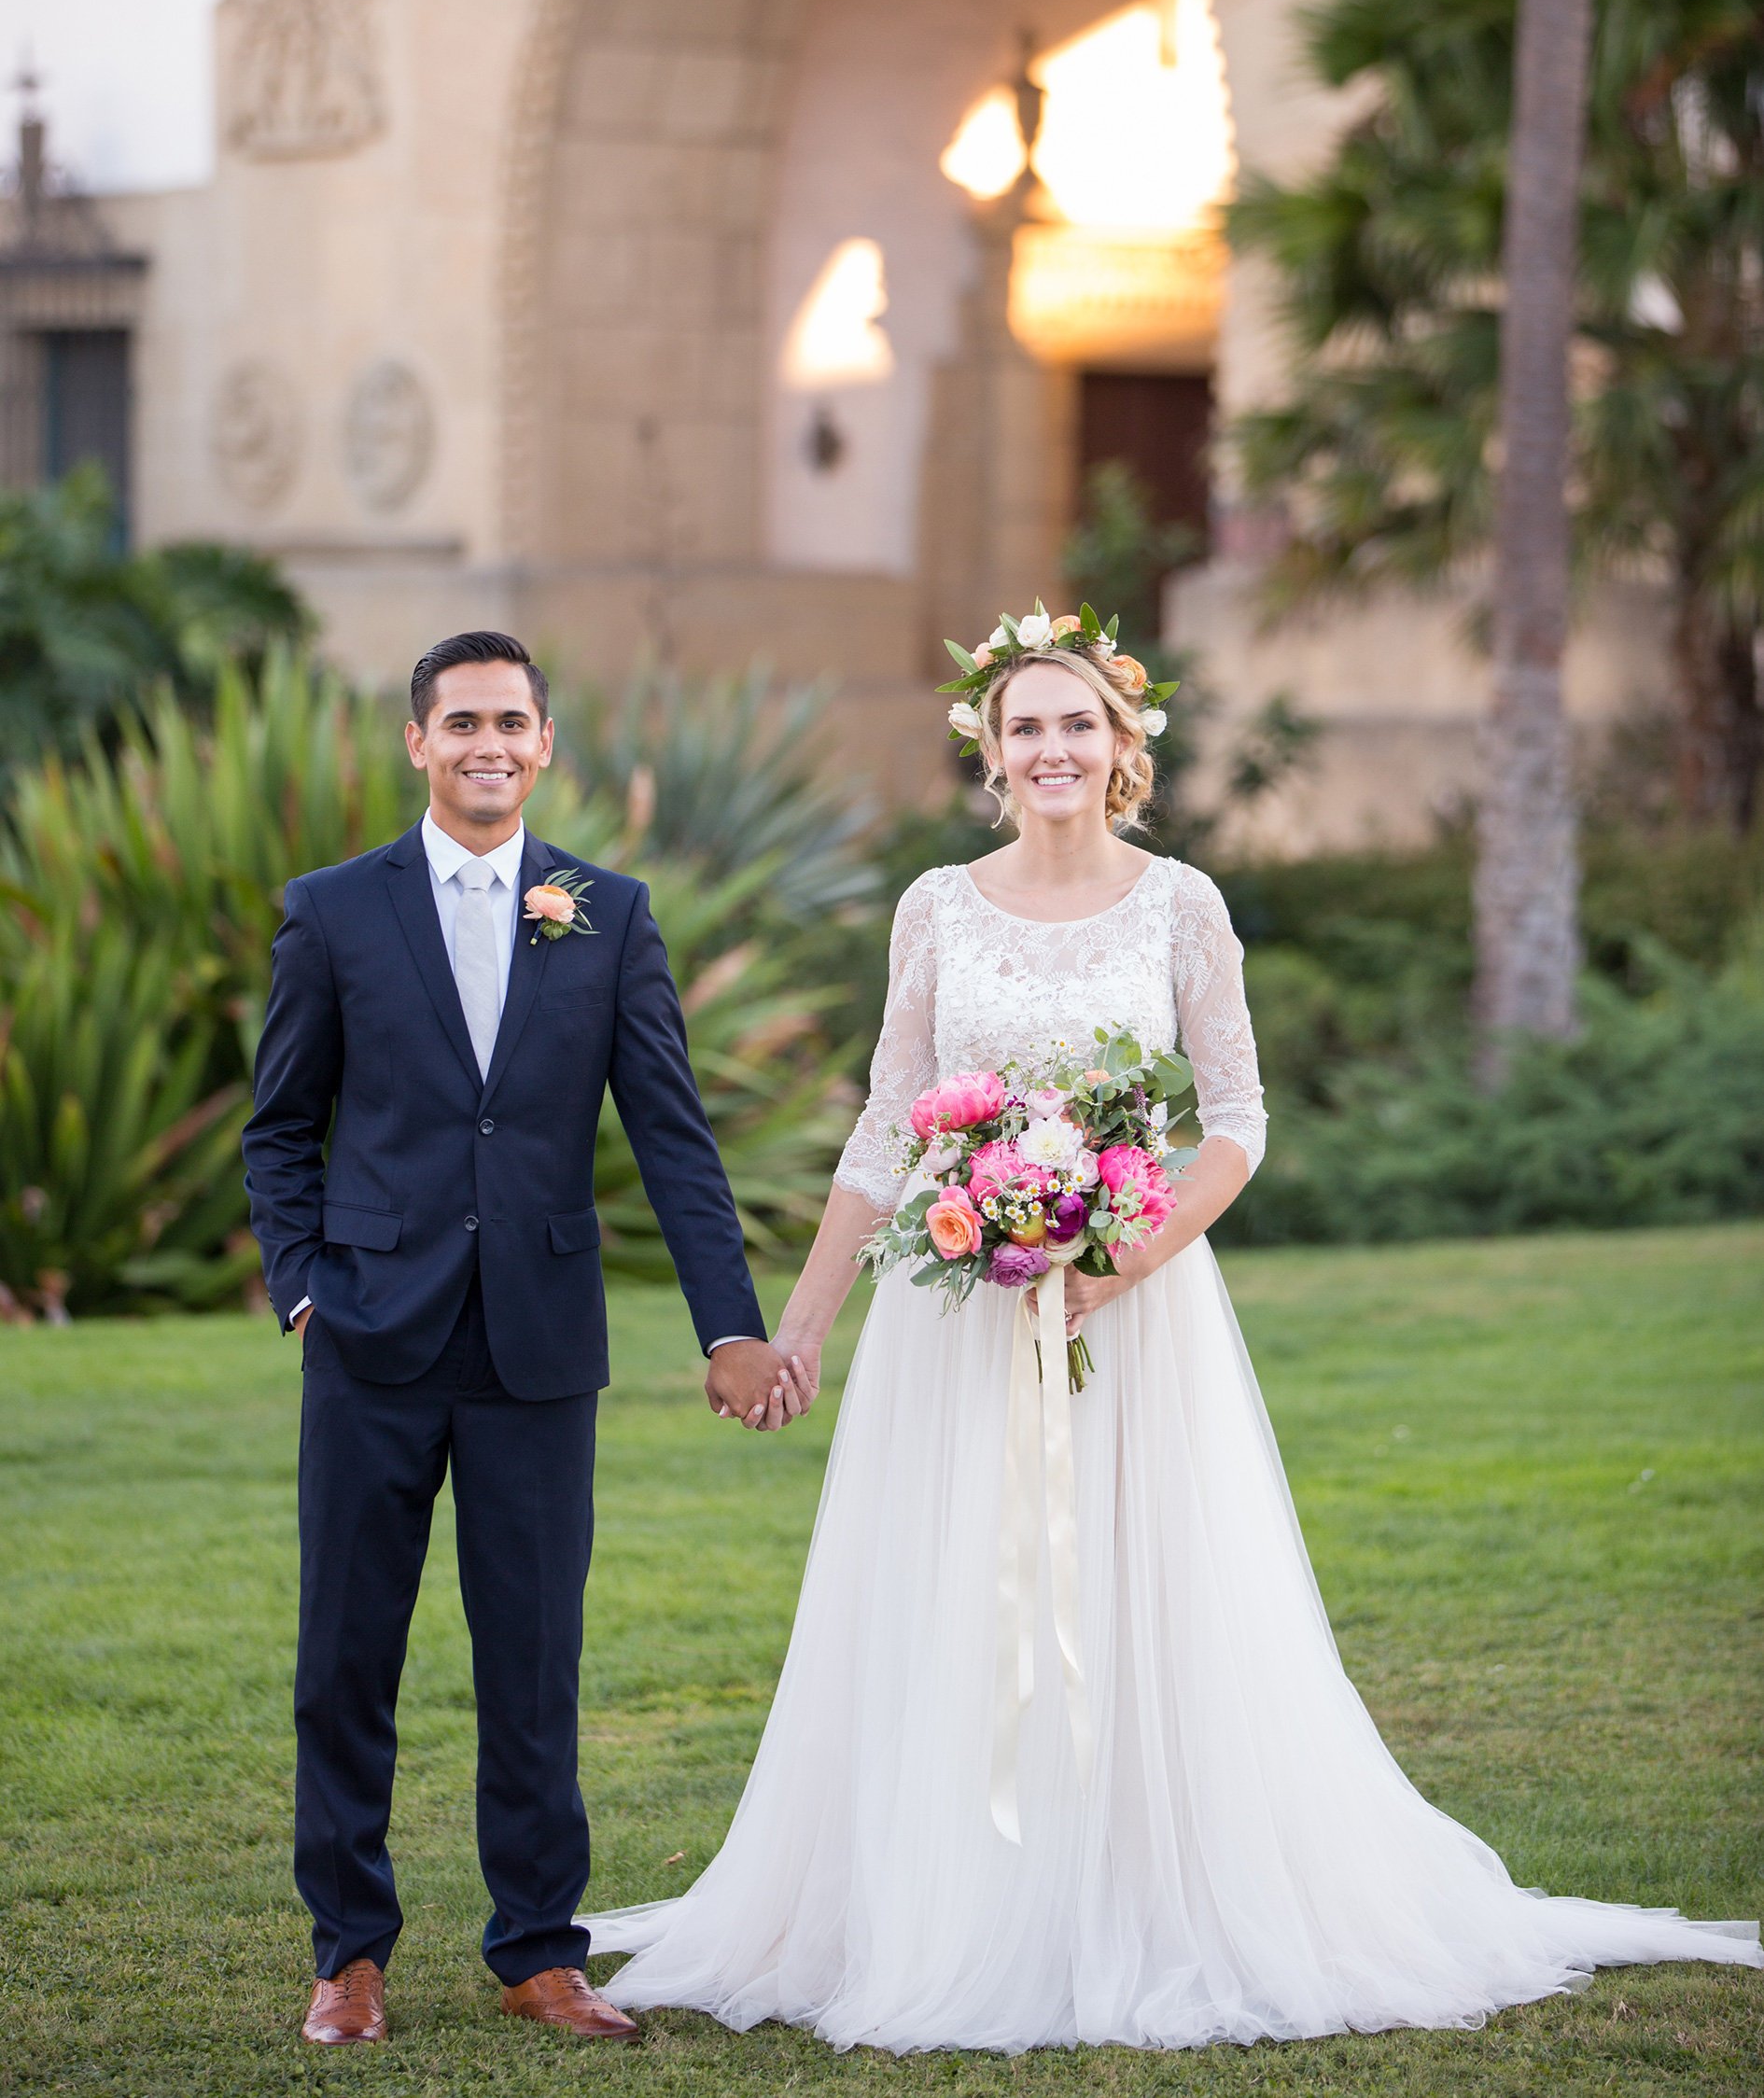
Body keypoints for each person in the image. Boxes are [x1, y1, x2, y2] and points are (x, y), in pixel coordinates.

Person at [588, 606, 1761, 2052]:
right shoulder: (937, 907)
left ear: (1122, 742)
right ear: (989, 752)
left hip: (1132, 1313)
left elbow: (1239, 1122)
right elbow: (887, 1131)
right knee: (952, 1584)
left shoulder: (1180, 904)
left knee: (1138, 1591)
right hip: (953, 1314)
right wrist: (806, 1329)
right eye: (1025, 725)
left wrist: (1115, 1262)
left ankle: (1143, 1891)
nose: (1053, 746)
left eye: (1078, 721)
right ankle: (954, 1901)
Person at [244, 629, 807, 2049]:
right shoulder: (333, 910)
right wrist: (305, 1283)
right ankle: (348, 1953)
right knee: (345, 1653)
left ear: (544, 744)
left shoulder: (605, 913)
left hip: (539, 1347)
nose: (487, 742)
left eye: (511, 720)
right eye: (460, 722)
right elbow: (280, 1125)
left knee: (534, 1658)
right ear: (418, 744)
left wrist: (728, 1327)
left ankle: (539, 1949)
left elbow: (673, 1139)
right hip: (369, 1334)